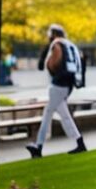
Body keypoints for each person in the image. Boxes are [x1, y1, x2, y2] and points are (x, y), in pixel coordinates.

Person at [25, 24, 87, 159]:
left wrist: (50, 66)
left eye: (50, 34)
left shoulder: (57, 43)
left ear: (54, 34)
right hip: (69, 83)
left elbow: (55, 60)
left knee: (47, 114)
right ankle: (79, 142)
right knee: (64, 116)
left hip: (59, 83)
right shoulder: (70, 44)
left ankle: (38, 147)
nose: (49, 37)